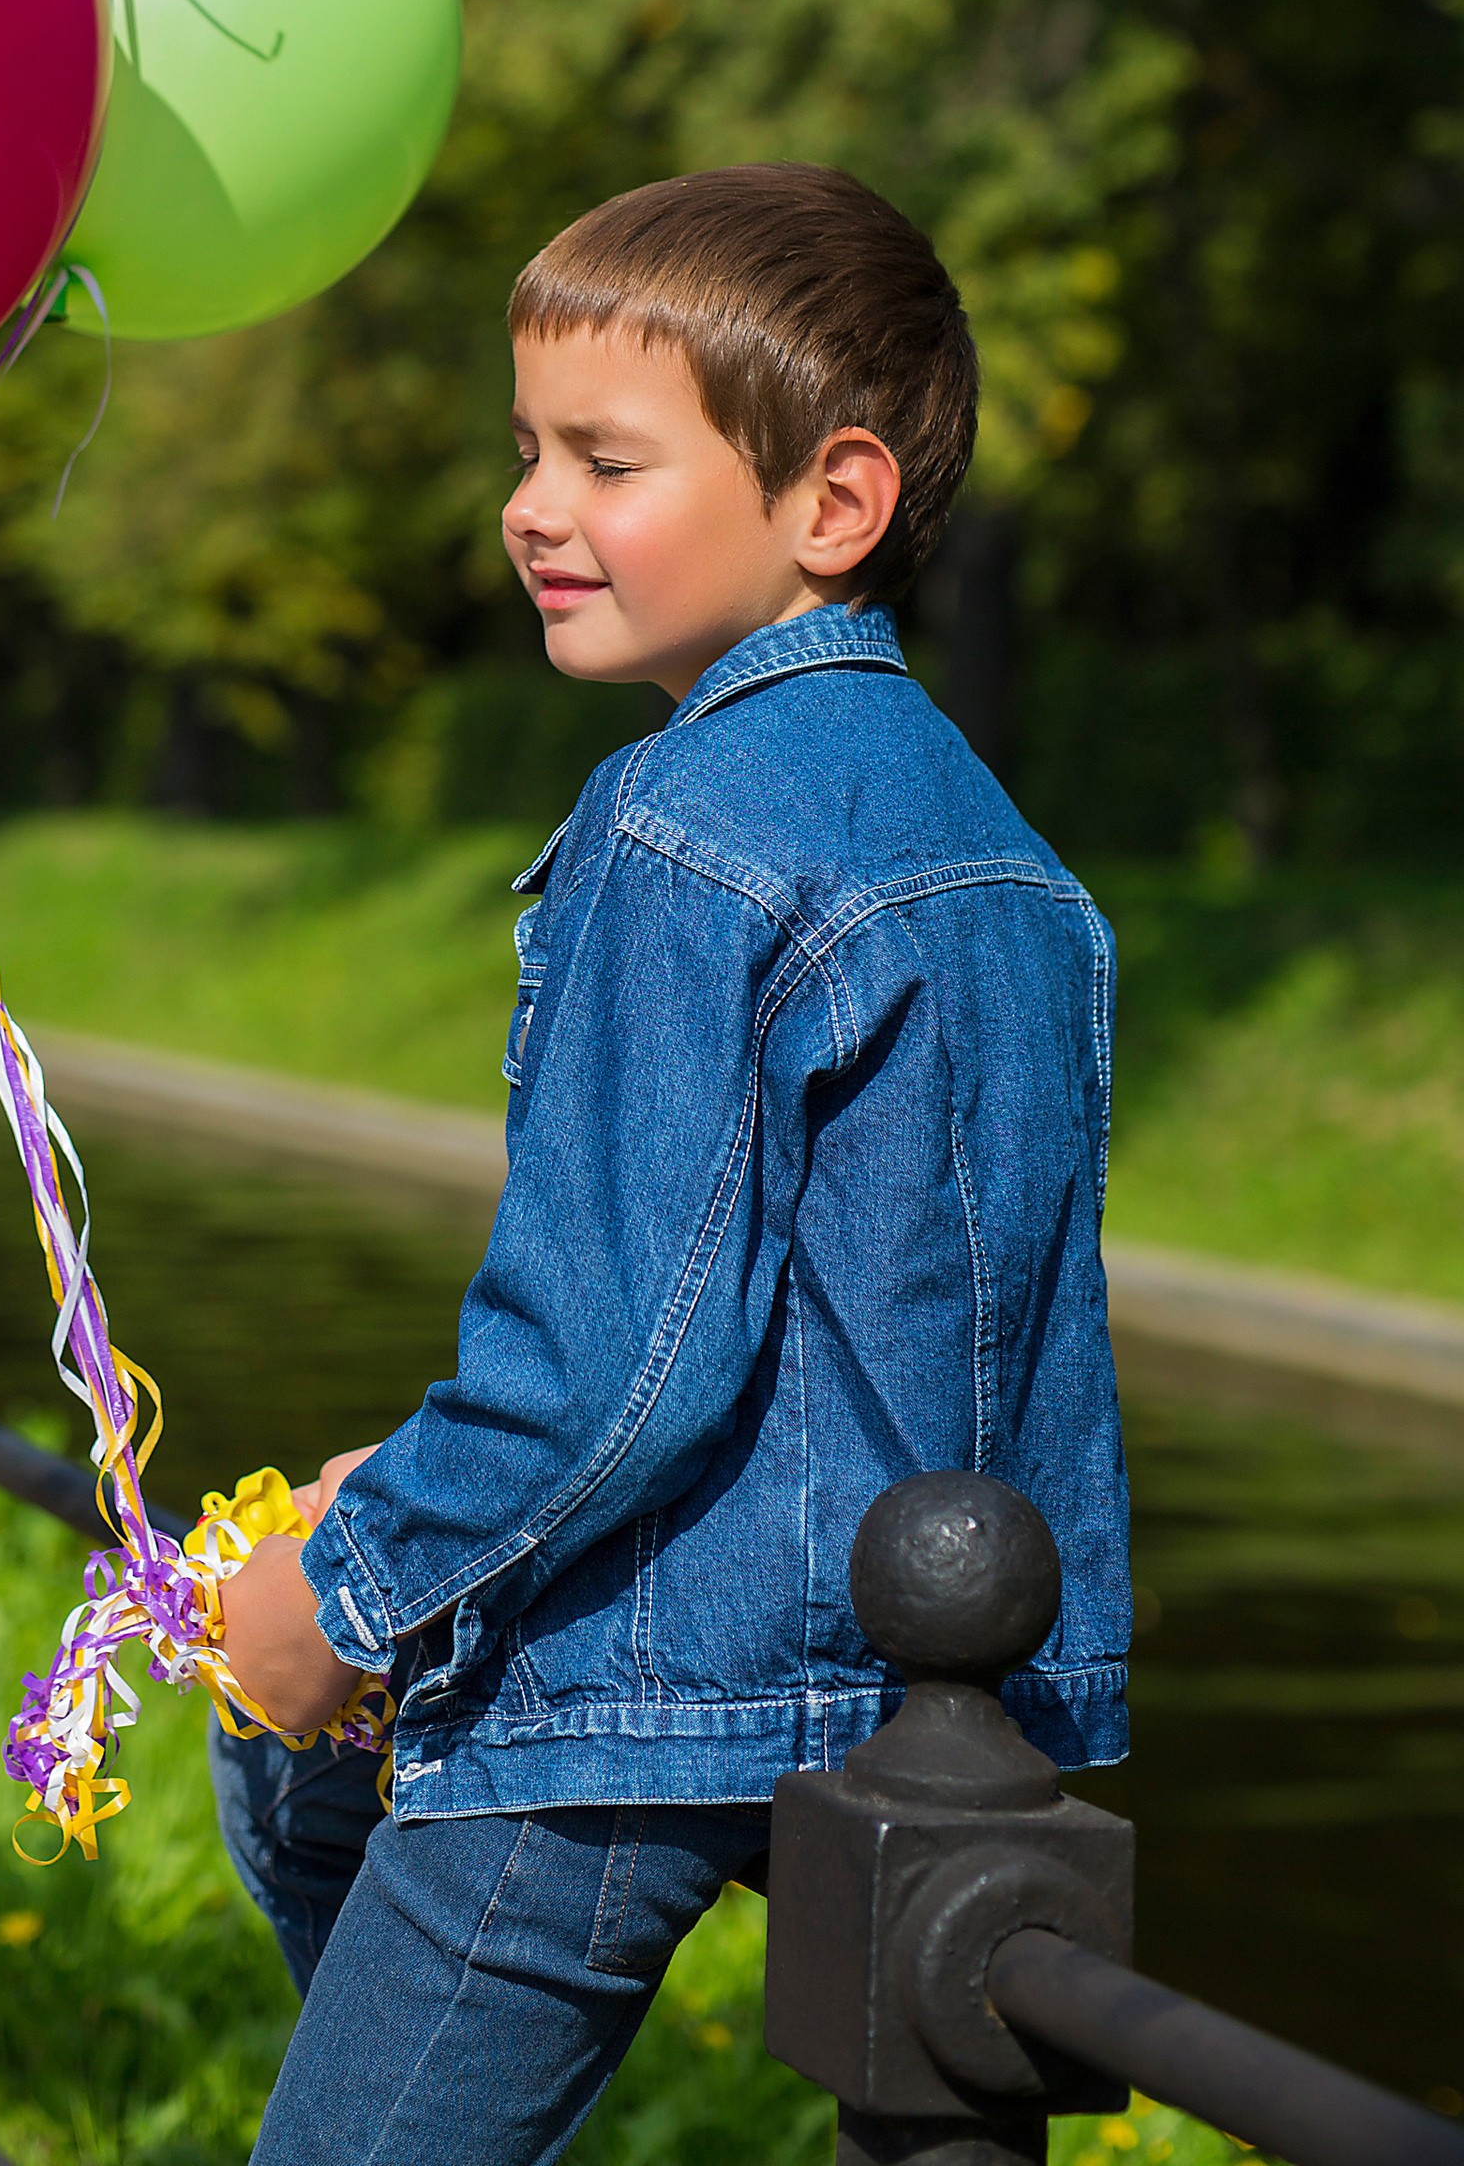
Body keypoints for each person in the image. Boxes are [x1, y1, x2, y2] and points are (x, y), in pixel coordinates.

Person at [211, 164, 1129, 2163]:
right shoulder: (1009, 858)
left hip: (648, 1681)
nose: (532, 508)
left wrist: (344, 1594)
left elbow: (607, 1362)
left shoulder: (678, 823)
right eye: (524, 450)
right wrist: (419, 1496)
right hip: (938, 1707)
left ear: (832, 503)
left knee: (291, 1803)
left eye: (604, 460)